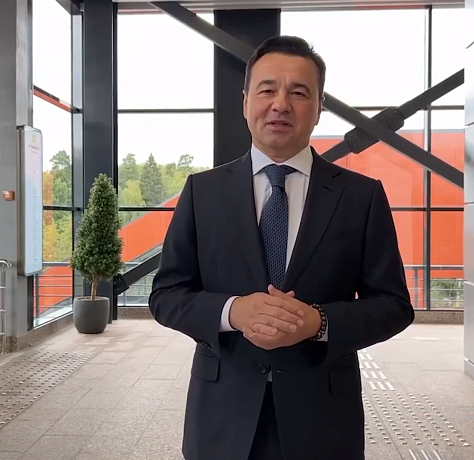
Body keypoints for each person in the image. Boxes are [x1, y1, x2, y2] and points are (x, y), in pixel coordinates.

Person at [148, 35, 414, 460]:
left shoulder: (361, 196)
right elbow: (166, 295)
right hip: (221, 415)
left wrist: (319, 322)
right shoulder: (202, 191)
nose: (280, 104)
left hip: (323, 419)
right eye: (267, 89)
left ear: (319, 106)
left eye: (299, 93)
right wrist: (232, 311)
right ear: (246, 102)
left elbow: (394, 305)